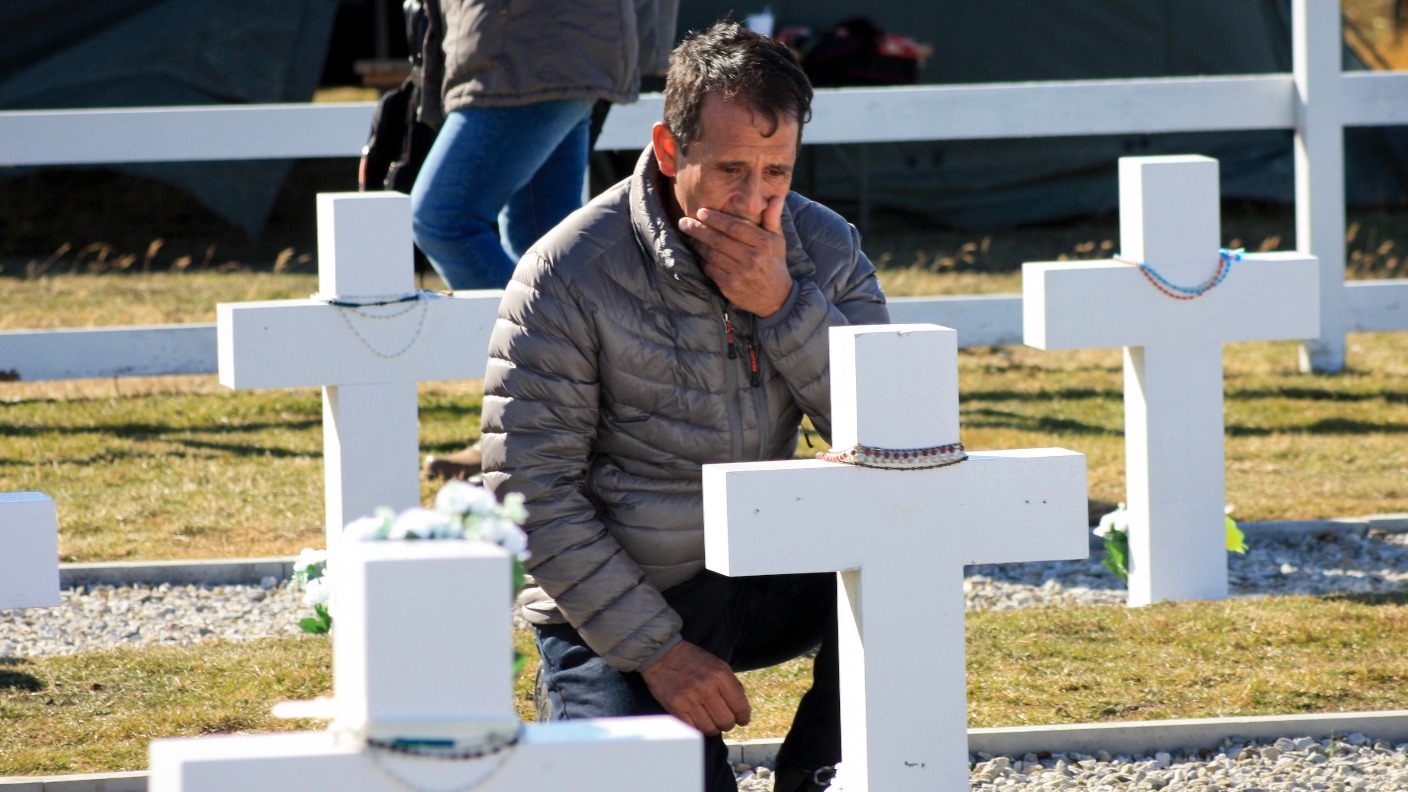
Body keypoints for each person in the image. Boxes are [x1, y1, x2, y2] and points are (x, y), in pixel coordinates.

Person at [480, 20, 889, 792]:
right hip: (622, 594)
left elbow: (898, 435)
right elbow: (529, 491)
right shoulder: (566, 270)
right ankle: (580, 688)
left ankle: (823, 773)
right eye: (732, 169)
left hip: (763, 565)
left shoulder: (825, 247)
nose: (756, 199)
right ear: (669, 151)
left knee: (913, 559)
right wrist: (660, 655)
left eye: (777, 171)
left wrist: (786, 307)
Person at [416, 0, 679, 480]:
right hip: (550, 43)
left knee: (444, 218)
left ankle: (555, 405)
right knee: (545, 248)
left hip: (531, 42)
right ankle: (546, 425)